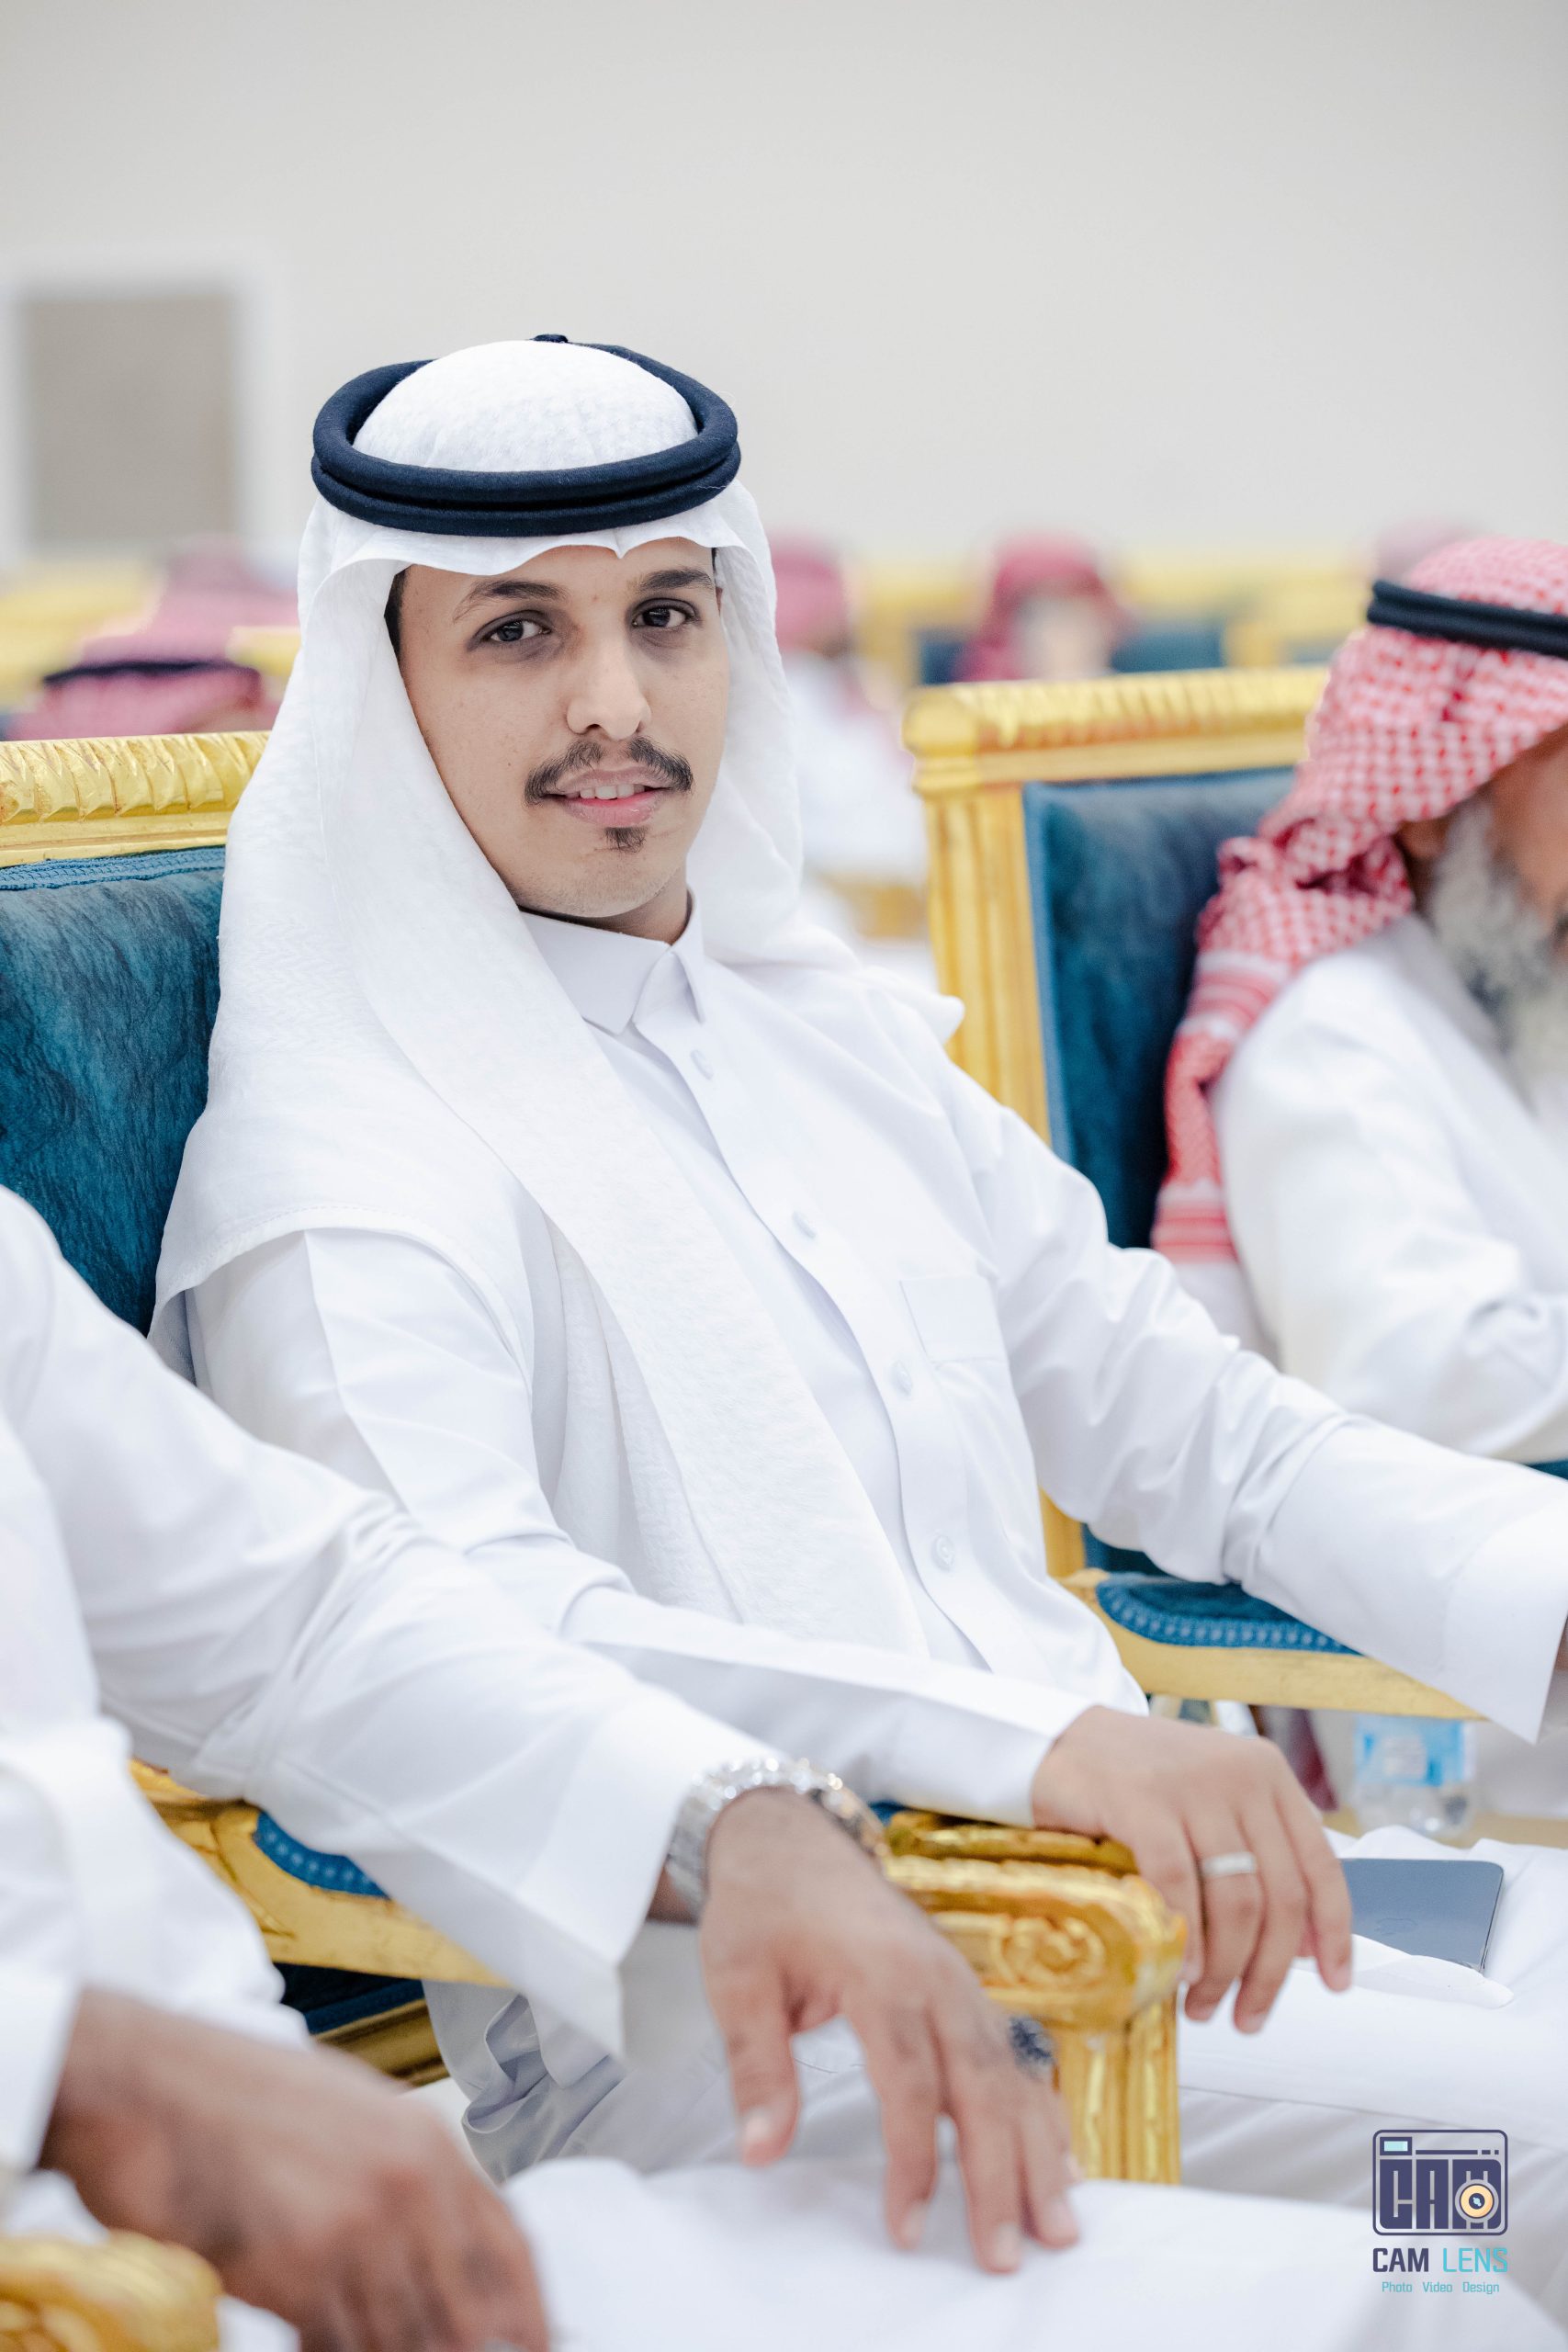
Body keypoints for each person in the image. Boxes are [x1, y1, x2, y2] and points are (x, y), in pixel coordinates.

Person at [156, 338, 1568, 2312]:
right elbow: (470, 1639)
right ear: (382, 682)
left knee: (1513, 2143)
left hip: (1152, 1931)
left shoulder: (828, 1037)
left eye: (666, 612)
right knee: (1507, 2189)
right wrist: (1046, 1743)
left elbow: (1199, 1426)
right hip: (770, 2049)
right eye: (518, 630)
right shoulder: (341, 1147)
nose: (615, 700)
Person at [2, 1194, 1489, 2352]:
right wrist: (75, 2065)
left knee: (1414, 2295)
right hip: (730, 2042)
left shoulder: (835, 1025)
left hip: (369, 2216)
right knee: (1460, 2210)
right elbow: (495, 1600)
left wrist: (728, 1810)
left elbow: (314, 1621)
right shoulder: (348, 1158)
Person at [1154, 537, 1568, 1815]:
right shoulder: (1332, 1037)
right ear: (1439, 796)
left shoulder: (1516, 991)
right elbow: (1429, 1383)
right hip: (1481, 1715)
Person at [956, 535, 1126, 683]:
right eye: (1033, 615)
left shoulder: (1126, 694)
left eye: (1072, 613)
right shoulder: (983, 693)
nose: (1058, 634)